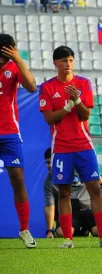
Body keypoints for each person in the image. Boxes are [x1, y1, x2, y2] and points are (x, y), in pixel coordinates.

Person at [39, 46, 102, 249]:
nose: (68, 64)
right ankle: (67, 239)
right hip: (61, 147)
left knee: (94, 189)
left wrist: (77, 100)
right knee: (63, 192)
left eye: (71, 60)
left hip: (83, 145)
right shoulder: (47, 87)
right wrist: (66, 108)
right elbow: (49, 118)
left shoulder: (83, 83)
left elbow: (85, 115)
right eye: (63, 60)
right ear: (55, 63)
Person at [0, 33, 37, 248]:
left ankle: (24, 229)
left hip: (10, 134)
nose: (7, 52)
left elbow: (32, 87)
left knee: (18, 178)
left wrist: (19, 60)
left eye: (10, 48)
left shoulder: (14, 68)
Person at [43, 148, 102, 238]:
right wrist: (50, 230)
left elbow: (99, 181)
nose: (49, 165)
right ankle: (80, 230)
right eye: (47, 162)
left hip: (88, 210)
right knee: (62, 233)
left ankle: (84, 228)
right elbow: (50, 205)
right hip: (71, 213)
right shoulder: (48, 181)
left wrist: (85, 173)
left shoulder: (77, 169)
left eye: (52, 162)